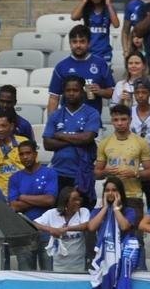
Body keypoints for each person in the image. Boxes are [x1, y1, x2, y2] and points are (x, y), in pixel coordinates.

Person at [43, 76, 101, 196]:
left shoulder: (92, 113)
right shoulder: (56, 115)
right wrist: (76, 138)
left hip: (82, 173)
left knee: (82, 211)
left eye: (75, 90)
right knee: (59, 210)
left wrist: (61, 135)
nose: (71, 93)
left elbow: (87, 138)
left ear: (82, 91)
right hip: (58, 172)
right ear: (64, 92)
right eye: (68, 90)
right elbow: (47, 144)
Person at [95, 103, 150, 221]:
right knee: (111, 235)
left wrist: (135, 173)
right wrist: (105, 172)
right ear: (112, 121)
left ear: (130, 120)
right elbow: (96, 173)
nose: (120, 123)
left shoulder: (141, 142)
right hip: (111, 196)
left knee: (135, 236)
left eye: (123, 119)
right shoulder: (104, 143)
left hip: (133, 196)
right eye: (116, 120)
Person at [9, 140, 60, 270]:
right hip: (24, 232)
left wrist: (23, 197)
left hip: (46, 231)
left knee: (48, 274)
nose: (25, 157)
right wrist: (39, 199)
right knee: (25, 276)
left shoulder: (49, 173)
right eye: (21, 154)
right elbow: (14, 206)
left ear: (35, 154)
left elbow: (50, 200)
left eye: (28, 153)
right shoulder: (15, 178)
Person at [46, 25, 115, 116]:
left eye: (82, 41)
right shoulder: (61, 66)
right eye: (74, 42)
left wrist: (100, 91)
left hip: (92, 122)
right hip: (67, 124)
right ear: (70, 44)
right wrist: (51, 124)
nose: (78, 45)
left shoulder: (100, 63)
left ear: (89, 43)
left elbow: (113, 92)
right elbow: (54, 98)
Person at [33, 186, 90, 273]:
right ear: (65, 202)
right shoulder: (52, 213)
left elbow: (85, 226)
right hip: (57, 265)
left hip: (79, 264)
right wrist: (51, 230)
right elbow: (34, 224)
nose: (78, 202)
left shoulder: (83, 212)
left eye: (79, 199)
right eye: (74, 199)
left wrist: (66, 229)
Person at [71, 0, 120, 66]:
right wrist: (84, 1)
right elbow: (74, 17)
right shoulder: (86, 9)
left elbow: (116, 24)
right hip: (87, 52)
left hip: (104, 53)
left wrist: (109, 3)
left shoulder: (108, 8)